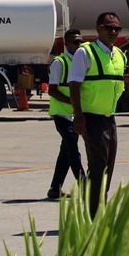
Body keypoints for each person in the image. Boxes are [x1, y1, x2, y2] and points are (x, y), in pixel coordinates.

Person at [70, 12, 127, 217]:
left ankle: (99, 208)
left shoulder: (119, 55)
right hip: (91, 118)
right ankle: (94, 215)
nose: (113, 32)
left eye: (116, 28)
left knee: (108, 167)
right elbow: (74, 85)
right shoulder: (85, 52)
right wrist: (78, 115)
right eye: (108, 27)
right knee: (97, 167)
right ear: (98, 29)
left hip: (109, 118)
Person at [46, 28, 85, 200]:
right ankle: (85, 185)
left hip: (75, 115)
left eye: (81, 42)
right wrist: (72, 102)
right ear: (66, 44)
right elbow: (52, 90)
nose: (79, 45)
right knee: (73, 151)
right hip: (62, 114)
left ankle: (55, 188)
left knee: (66, 152)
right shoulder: (60, 63)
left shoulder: (82, 61)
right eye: (76, 42)